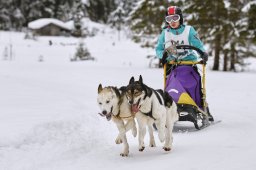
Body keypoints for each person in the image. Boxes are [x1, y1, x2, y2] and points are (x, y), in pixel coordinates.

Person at [155, 6, 214, 122]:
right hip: (172, 65)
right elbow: (158, 49)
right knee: (171, 84)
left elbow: (198, 45)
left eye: (175, 18)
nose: (172, 22)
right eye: (169, 19)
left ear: (180, 18)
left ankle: (201, 106)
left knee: (193, 82)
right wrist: (163, 55)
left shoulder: (189, 30)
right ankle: (170, 105)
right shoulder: (165, 33)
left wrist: (203, 53)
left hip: (189, 63)